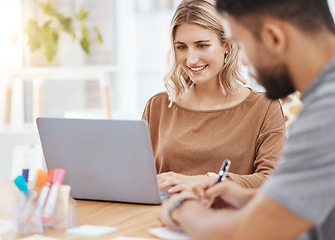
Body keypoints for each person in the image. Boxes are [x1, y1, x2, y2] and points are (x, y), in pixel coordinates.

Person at [158, 0, 335, 239]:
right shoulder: (323, 100)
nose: (241, 61)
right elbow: (316, 194)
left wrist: (183, 207)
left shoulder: (326, 113)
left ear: (274, 38)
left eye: (240, 44)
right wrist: (245, 197)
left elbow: (245, 233)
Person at [142, 0, 285, 193]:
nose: (191, 59)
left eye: (201, 45)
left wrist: (208, 181)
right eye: (181, 47)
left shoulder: (264, 107)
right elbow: (137, 177)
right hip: (161, 215)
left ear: (226, 45)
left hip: (227, 217)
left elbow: (272, 180)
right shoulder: (157, 106)